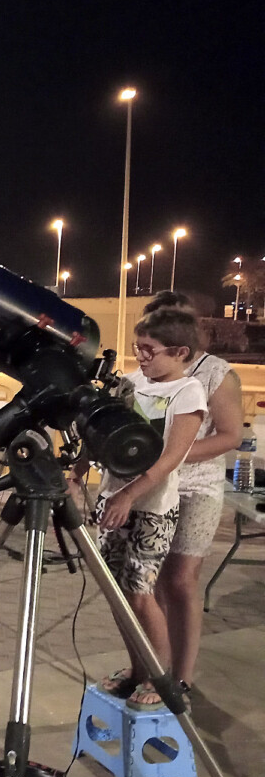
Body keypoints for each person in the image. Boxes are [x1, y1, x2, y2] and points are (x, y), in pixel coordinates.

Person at [72, 307, 206, 710]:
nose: (142, 357)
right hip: (115, 501)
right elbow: (98, 432)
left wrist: (129, 496)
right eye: (138, 348)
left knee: (140, 593)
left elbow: (170, 459)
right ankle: (136, 669)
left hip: (151, 507)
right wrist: (77, 470)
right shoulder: (129, 383)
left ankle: (160, 676)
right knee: (117, 594)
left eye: (150, 350)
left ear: (180, 352)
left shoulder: (188, 393)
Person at [144, 293, 241, 700]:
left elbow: (230, 435)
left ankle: (180, 677)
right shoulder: (151, 368)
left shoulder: (217, 373)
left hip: (197, 489)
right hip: (155, 487)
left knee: (180, 582)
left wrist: (172, 456)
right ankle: (151, 668)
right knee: (146, 584)